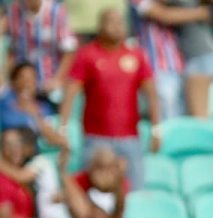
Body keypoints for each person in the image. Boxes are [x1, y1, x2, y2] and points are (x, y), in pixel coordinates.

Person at [59, 9, 160, 190]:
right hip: (96, 138)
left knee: (135, 191)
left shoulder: (136, 55)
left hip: (130, 138)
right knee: (95, 194)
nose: (117, 26)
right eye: (111, 22)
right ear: (100, 26)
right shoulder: (87, 55)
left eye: (120, 22)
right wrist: (63, 127)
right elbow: (70, 92)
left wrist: (156, 129)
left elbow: (151, 93)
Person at [130, 0, 189, 120]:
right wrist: (202, 13)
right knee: (166, 117)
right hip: (155, 67)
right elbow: (165, 16)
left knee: (179, 115)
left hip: (176, 64)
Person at [6, 0, 77, 93]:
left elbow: (69, 51)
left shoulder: (56, 12)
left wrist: (57, 79)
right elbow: (11, 49)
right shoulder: (14, 10)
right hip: (21, 83)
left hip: (49, 82)